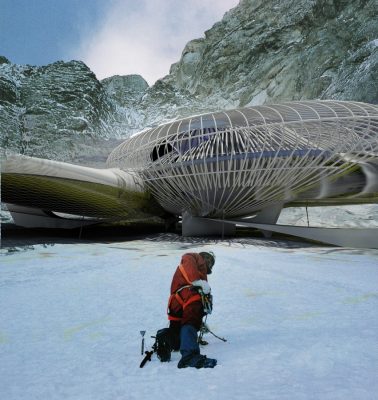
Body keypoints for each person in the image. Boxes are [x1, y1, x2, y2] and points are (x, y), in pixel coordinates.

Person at [167, 251, 217, 369]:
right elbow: (187, 259)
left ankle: (170, 343)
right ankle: (189, 356)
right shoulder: (193, 257)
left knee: (179, 326)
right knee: (190, 321)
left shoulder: (194, 270)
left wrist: (199, 323)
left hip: (178, 301)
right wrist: (198, 282)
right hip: (189, 297)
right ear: (206, 260)